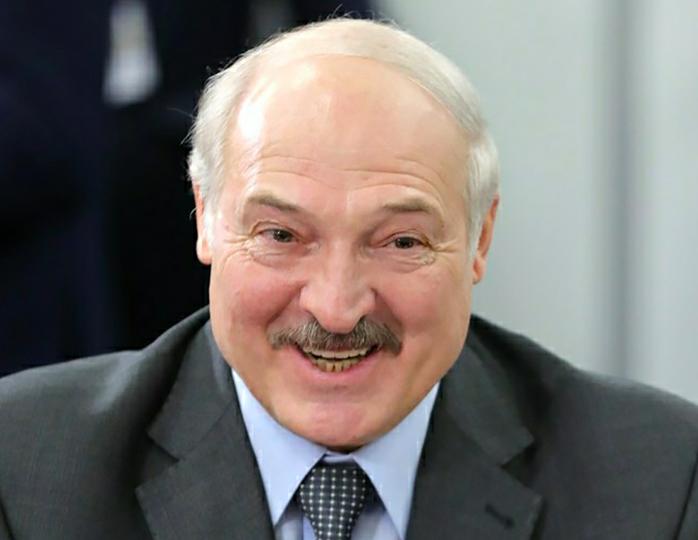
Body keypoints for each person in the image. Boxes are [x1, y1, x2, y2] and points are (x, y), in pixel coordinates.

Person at [0, 18, 696, 540]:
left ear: (480, 239)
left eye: (400, 242)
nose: (336, 309)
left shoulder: (657, 479)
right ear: (205, 217)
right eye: (281, 236)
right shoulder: (23, 471)